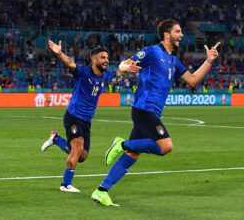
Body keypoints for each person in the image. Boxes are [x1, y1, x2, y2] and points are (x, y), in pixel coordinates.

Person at [91, 18, 220, 206]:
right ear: (167, 34)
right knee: (166, 146)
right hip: (144, 110)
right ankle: (122, 144)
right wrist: (123, 67)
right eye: (178, 31)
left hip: (151, 113)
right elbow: (128, 63)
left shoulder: (174, 61)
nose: (182, 35)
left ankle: (101, 190)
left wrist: (209, 61)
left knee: (133, 155)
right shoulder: (152, 51)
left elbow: (192, 81)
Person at [41, 40, 140, 193]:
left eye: (107, 58)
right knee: (78, 148)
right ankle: (65, 184)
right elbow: (70, 63)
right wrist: (60, 54)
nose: (106, 60)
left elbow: (118, 72)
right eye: (103, 58)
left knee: (82, 156)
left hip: (87, 121)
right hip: (73, 116)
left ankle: (55, 139)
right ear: (93, 59)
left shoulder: (105, 76)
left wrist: (124, 68)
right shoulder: (83, 72)